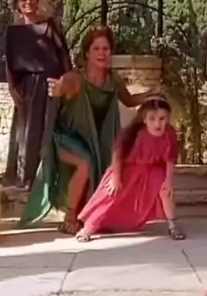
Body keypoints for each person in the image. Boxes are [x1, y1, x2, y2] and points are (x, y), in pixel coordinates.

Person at [20, 25, 155, 234]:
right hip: (64, 139)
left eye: (106, 48)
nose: (102, 53)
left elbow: (128, 100)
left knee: (113, 162)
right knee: (86, 162)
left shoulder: (113, 80)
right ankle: (70, 217)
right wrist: (57, 89)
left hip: (93, 140)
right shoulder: (75, 79)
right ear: (86, 53)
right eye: (96, 49)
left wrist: (151, 94)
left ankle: (95, 213)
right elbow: (61, 87)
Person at [76, 96, 185, 242]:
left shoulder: (169, 133)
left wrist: (168, 181)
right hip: (127, 168)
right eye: (152, 119)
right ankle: (88, 228)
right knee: (112, 192)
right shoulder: (135, 134)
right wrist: (116, 177)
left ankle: (173, 226)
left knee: (165, 190)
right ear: (144, 119)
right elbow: (118, 154)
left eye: (162, 118)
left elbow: (170, 158)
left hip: (152, 169)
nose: (157, 123)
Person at [3, 0, 72, 189]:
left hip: (51, 83)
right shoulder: (13, 32)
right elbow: (9, 62)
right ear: (17, 5)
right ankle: (27, 178)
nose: (28, 2)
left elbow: (63, 54)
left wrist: (67, 79)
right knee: (27, 132)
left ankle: (51, 176)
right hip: (27, 86)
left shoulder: (49, 25)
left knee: (50, 127)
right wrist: (12, 87)